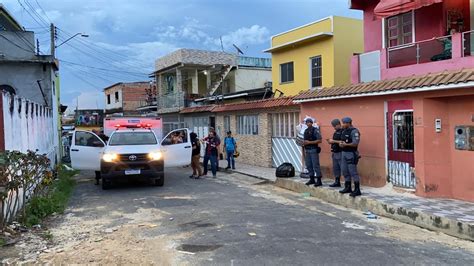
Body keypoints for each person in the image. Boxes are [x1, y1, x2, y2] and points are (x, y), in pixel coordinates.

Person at [338, 117, 362, 197]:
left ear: (349, 123)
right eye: (343, 123)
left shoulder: (354, 131)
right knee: (345, 171)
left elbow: (355, 143)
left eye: (344, 123)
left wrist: (346, 144)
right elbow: (343, 140)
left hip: (351, 153)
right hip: (344, 153)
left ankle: (357, 189)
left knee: (353, 172)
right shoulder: (344, 131)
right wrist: (341, 144)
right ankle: (347, 187)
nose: (343, 124)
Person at [303, 117, 323, 187]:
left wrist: (309, 142)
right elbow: (304, 140)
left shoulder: (315, 130)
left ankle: (319, 180)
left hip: (313, 149)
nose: (308, 123)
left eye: (309, 122)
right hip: (307, 150)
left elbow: (320, 140)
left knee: (315, 165)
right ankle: (312, 179)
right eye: (307, 122)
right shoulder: (305, 131)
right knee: (309, 165)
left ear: (312, 123)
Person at [326, 119, 343, 187]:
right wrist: (330, 141)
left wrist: (333, 141)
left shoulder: (343, 132)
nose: (334, 127)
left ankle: (348, 183)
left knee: (343, 168)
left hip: (340, 152)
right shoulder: (336, 132)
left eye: (335, 126)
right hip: (335, 152)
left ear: (339, 124)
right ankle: (337, 181)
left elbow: (342, 142)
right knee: (336, 168)